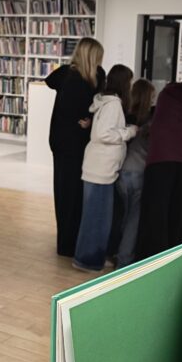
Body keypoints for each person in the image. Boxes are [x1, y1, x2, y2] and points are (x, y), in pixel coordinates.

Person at [135, 61, 182, 260]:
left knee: (154, 222)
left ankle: (151, 267)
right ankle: (178, 266)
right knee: (181, 223)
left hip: (160, 160)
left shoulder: (168, 93)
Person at [72, 64, 137, 272]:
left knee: (93, 216)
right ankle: (88, 260)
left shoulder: (103, 102)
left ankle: (89, 257)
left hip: (97, 166)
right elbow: (103, 134)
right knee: (98, 219)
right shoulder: (114, 105)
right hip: (102, 169)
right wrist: (129, 132)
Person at [46, 37, 105, 257]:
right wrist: (89, 119)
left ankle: (67, 241)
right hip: (73, 145)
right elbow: (81, 111)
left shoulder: (67, 75)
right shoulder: (82, 79)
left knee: (65, 192)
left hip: (62, 142)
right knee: (72, 194)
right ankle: (69, 243)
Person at [114, 78, 156, 268]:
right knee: (133, 220)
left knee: (123, 216)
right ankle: (124, 262)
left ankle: (117, 253)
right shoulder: (151, 121)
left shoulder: (126, 116)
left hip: (122, 171)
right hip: (139, 173)